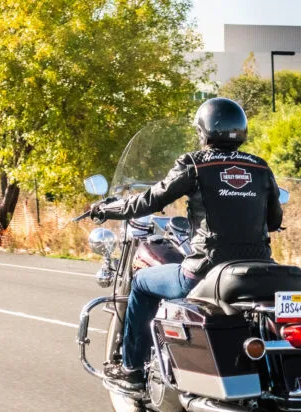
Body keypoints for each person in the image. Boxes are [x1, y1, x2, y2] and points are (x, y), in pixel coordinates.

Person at [90, 97, 283, 389]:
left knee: (141, 282)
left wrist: (107, 208)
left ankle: (131, 370)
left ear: (203, 131)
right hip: (257, 271)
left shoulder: (194, 164)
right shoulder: (260, 167)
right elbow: (273, 220)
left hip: (206, 270)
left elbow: (151, 200)